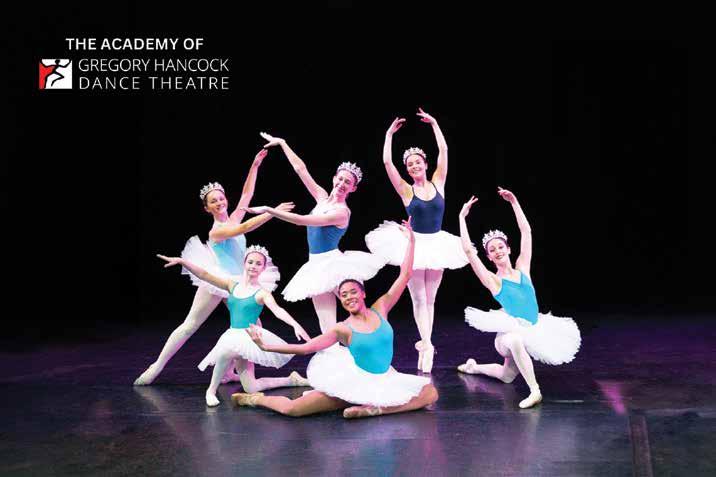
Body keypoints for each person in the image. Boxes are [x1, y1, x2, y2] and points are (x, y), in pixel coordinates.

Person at [232, 218, 439, 418]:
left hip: (385, 380)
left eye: (353, 292)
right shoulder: (343, 328)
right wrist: (267, 347)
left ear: (363, 293)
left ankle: (376, 409)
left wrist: (412, 242)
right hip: (354, 384)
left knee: (430, 393)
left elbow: (405, 274)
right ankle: (255, 399)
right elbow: (306, 348)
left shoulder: (381, 308)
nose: (349, 297)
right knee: (293, 409)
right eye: (344, 295)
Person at [134, 149, 291, 385]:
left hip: (238, 282)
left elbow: (247, 195)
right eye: (213, 201)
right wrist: (272, 212)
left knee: (250, 326)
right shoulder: (216, 230)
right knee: (190, 325)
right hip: (218, 279)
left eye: (220, 198)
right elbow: (243, 228)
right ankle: (156, 366)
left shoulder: (233, 218)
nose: (219, 202)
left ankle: (231, 372)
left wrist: (255, 166)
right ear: (207, 208)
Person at [246, 132, 385, 333]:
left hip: (334, 264)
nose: (342, 184)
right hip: (315, 265)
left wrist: (269, 210)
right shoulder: (321, 197)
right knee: (326, 324)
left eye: (347, 182)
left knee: (357, 310)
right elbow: (301, 169)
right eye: (340, 179)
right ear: (334, 178)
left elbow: (301, 220)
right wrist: (283, 143)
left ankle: (374, 340)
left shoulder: (342, 213)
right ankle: (333, 351)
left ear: (353, 189)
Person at [366, 108, 470, 372]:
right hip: (413, 244)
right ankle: (427, 345)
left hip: (437, 244)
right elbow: (387, 164)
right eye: (410, 164)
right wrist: (389, 135)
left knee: (431, 299)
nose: (414, 166)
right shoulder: (405, 189)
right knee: (418, 298)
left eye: (417, 162)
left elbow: (444, 150)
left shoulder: (438, 182)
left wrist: (434, 123)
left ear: (425, 163)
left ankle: (427, 343)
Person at [457, 188, 581, 408]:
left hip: (533, 327)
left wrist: (514, 202)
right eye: (492, 250)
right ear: (489, 257)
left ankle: (473, 367)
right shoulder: (493, 281)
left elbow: (526, 231)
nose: (497, 251)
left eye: (500, 247)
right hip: (507, 335)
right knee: (515, 340)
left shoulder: (523, 268)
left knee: (507, 375)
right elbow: (468, 252)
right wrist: (461, 218)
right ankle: (535, 391)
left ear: (508, 249)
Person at [157, 245, 311, 406]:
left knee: (248, 384)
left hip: (249, 338)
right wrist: (182, 262)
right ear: (244, 263)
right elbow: (204, 275)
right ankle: (211, 391)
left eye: (258, 264)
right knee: (237, 367)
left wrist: (294, 324)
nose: (253, 266)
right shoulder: (232, 286)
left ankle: (290, 380)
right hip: (233, 334)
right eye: (250, 262)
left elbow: (277, 310)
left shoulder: (262, 293)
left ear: (263, 268)